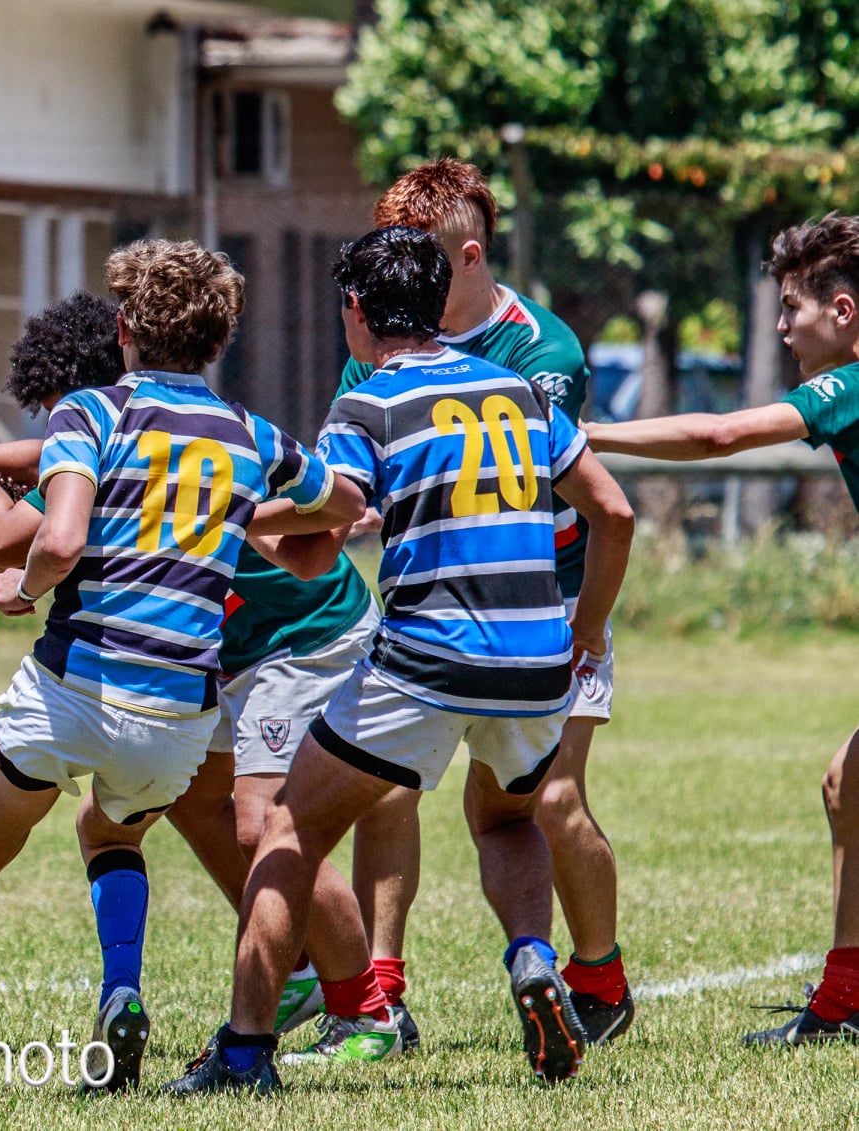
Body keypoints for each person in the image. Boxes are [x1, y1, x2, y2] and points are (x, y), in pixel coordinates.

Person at [0, 240, 365, 1093]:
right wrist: (266, 522)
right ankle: (119, 994)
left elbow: (59, 536)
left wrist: (24, 587)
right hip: (181, 711)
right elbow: (344, 502)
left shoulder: (92, 414)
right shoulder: (250, 432)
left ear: (126, 328)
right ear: (219, 341)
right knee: (110, 830)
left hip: (75, 683)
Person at [167, 226, 633, 1095]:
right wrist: (588, 630)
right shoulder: (521, 390)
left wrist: (229, 518)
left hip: (423, 661)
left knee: (287, 829)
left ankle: (243, 1053)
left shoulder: (367, 406)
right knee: (505, 820)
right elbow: (614, 513)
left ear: (356, 310)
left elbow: (320, 542)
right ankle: (533, 959)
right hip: (537, 663)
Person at [0, 290, 404, 1064]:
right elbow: (37, 469)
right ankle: (295, 966)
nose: (56, 448)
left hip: (301, 636)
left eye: (59, 422)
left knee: (268, 824)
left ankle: (367, 1010)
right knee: (176, 799)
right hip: (229, 652)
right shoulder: (121, 436)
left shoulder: (148, 450)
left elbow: (17, 531)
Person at [340, 159, 632, 1042]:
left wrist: (587, 631)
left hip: (547, 607)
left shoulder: (543, 354)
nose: (397, 274)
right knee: (384, 789)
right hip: (431, 607)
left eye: (415, 254)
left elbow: (551, 502)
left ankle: (601, 980)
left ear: (467, 258)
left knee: (547, 803)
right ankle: (382, 988)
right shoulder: (392, 332)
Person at [584, 214, 859, 1045]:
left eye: (790, 309)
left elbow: (721, 433)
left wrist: (579, 435)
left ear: (842, 312)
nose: (780, 327)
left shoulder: (847, 383)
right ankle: (845, 997)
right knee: (849, 786)